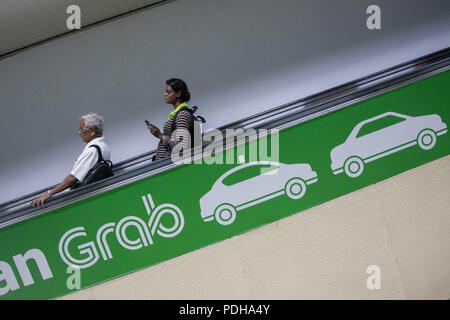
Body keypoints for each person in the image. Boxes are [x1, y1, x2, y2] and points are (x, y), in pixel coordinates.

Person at [31, 113, 111, 207]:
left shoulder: (92, 150)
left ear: (92, 131)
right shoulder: (103, 146)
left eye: (82, 128)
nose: (79, 132)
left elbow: (73, 178)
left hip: (82, 198)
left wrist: (49, 193)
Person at [147, 78, 193, 161]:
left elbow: (180, 147)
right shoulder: (177, 114)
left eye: (168, 92)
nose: (165, 94)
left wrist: (160, 135)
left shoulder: (182, 115)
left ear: (178, 94)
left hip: (170, 165)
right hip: (164, 163)